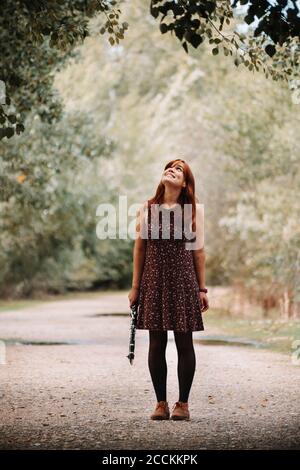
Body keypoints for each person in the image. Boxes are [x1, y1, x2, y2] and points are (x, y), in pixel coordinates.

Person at [128, 158, 209, 421]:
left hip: (183, 281)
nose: (172, 170)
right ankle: (160, 403)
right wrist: (135, 287)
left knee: (184, 342)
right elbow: (140, 249)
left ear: (185, 183)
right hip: (154, 281)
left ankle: (182, 404)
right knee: (156, 342)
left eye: (179, 169)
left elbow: (199, 252)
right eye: (170, 167)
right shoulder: (148, 208)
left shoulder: (192, 210)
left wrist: (202, 289)